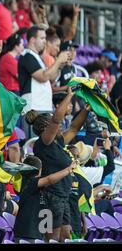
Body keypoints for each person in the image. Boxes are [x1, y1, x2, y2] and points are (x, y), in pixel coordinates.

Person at [26, 88, 90, 242]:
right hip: (48, 197)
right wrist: (70, 95)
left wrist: (86, 109)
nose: (61, 126)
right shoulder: (43, 143)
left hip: (63, 196)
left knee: (65, 237)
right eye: (56, 125)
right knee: (50, 238)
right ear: (46, 129)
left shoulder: (58, 142)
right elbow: (56, 120)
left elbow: (74, 128)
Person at [18, 26, 69, 138]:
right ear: (32, 40)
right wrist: (58, 60)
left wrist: (60, 65)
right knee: (32, 143)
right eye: (42, 38)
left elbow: (51, 78)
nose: (45, 41)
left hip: (42, 106)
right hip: (33, 107)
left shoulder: (37, 57)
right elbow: (43, 77)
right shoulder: (27, 55)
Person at [13, 155, 76, 243]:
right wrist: (68, 170)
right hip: (27, 235)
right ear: (39, 170)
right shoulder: (29, 182)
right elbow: (49, 179)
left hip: (35, 235)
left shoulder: (35, 187)